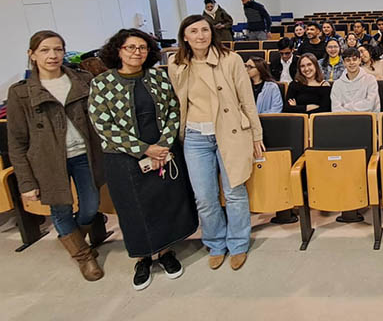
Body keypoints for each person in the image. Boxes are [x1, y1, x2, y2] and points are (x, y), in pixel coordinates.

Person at [90, 28, 197, 290]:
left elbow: (174, 111)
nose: (137, 52)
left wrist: (162, 144)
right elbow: (104, 125)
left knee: (165, 203)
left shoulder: (158, 78)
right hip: (124, 158)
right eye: (130, 47)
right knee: (133, 209)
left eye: (142, 48)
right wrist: (144, 149)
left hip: (163, 151)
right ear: (118, 51)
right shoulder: (102, 83)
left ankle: (166, 253)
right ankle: (142, 258)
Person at [7, 31, 107, 282]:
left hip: (84, 154)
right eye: (45, 50)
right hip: (48, 161)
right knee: (60, 209)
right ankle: (84, 256)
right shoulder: (20, 93)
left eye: (58, 49)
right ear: (32, 55)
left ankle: (72, 236)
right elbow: (17, 141)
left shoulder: (83, 80)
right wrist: (26, 183)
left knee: (91, 205)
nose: (52, 55)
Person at [167, 15, 264, 272]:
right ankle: (215, 243)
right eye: (194, 31)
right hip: (195, 137)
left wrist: (256, 135)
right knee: (205, 197)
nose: (200, 35)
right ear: (184, 36)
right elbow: (177, 104)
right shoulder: (175, 63)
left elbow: (247, 100)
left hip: (229, 133)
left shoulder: (231, 60)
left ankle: (238, 243)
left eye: (205, 30)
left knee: (234, 192)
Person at [330, 48, 380, 113]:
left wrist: (346, 106)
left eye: (354, 59)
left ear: (359, 60)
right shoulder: (337, 84)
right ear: (344, 63)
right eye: (348, 60)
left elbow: (369, 105)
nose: (351, 63)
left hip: (367, 119)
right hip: (343, 120)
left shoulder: (370, 80)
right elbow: (335, 109)